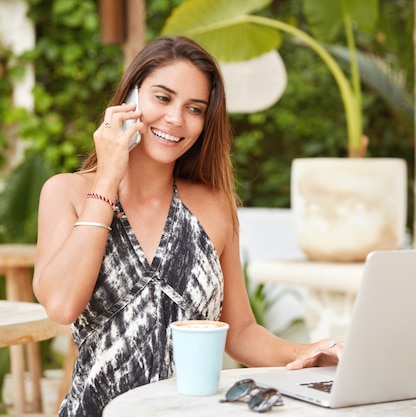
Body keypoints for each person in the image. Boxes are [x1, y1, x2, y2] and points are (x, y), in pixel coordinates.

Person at [33, 36, 342, 417]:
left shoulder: (214, 206)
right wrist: (107, 180)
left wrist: (308, 352)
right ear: (131, 98)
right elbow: (62, 305)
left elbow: (241, 330)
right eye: (162, 98)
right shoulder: (66, 192)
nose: (176, 118)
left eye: (194, 108)